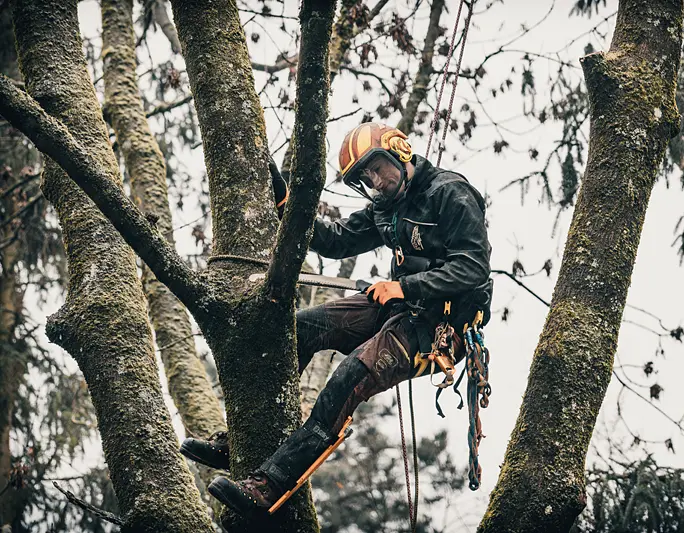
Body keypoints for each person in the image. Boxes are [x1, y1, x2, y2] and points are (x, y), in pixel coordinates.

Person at [180, 122, 493, 516]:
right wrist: (283, 195)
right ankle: (240, 440)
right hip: (400, 309)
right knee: (301, 328)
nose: (376, 181)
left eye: (378, 168)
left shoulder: (449, 193)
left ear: (400, 150)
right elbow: (334, 240)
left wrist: (404, 287)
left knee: (347, 378)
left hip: (443, 329)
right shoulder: (385, 209)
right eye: (366, 177)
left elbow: (472, 268)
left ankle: (269, 486)